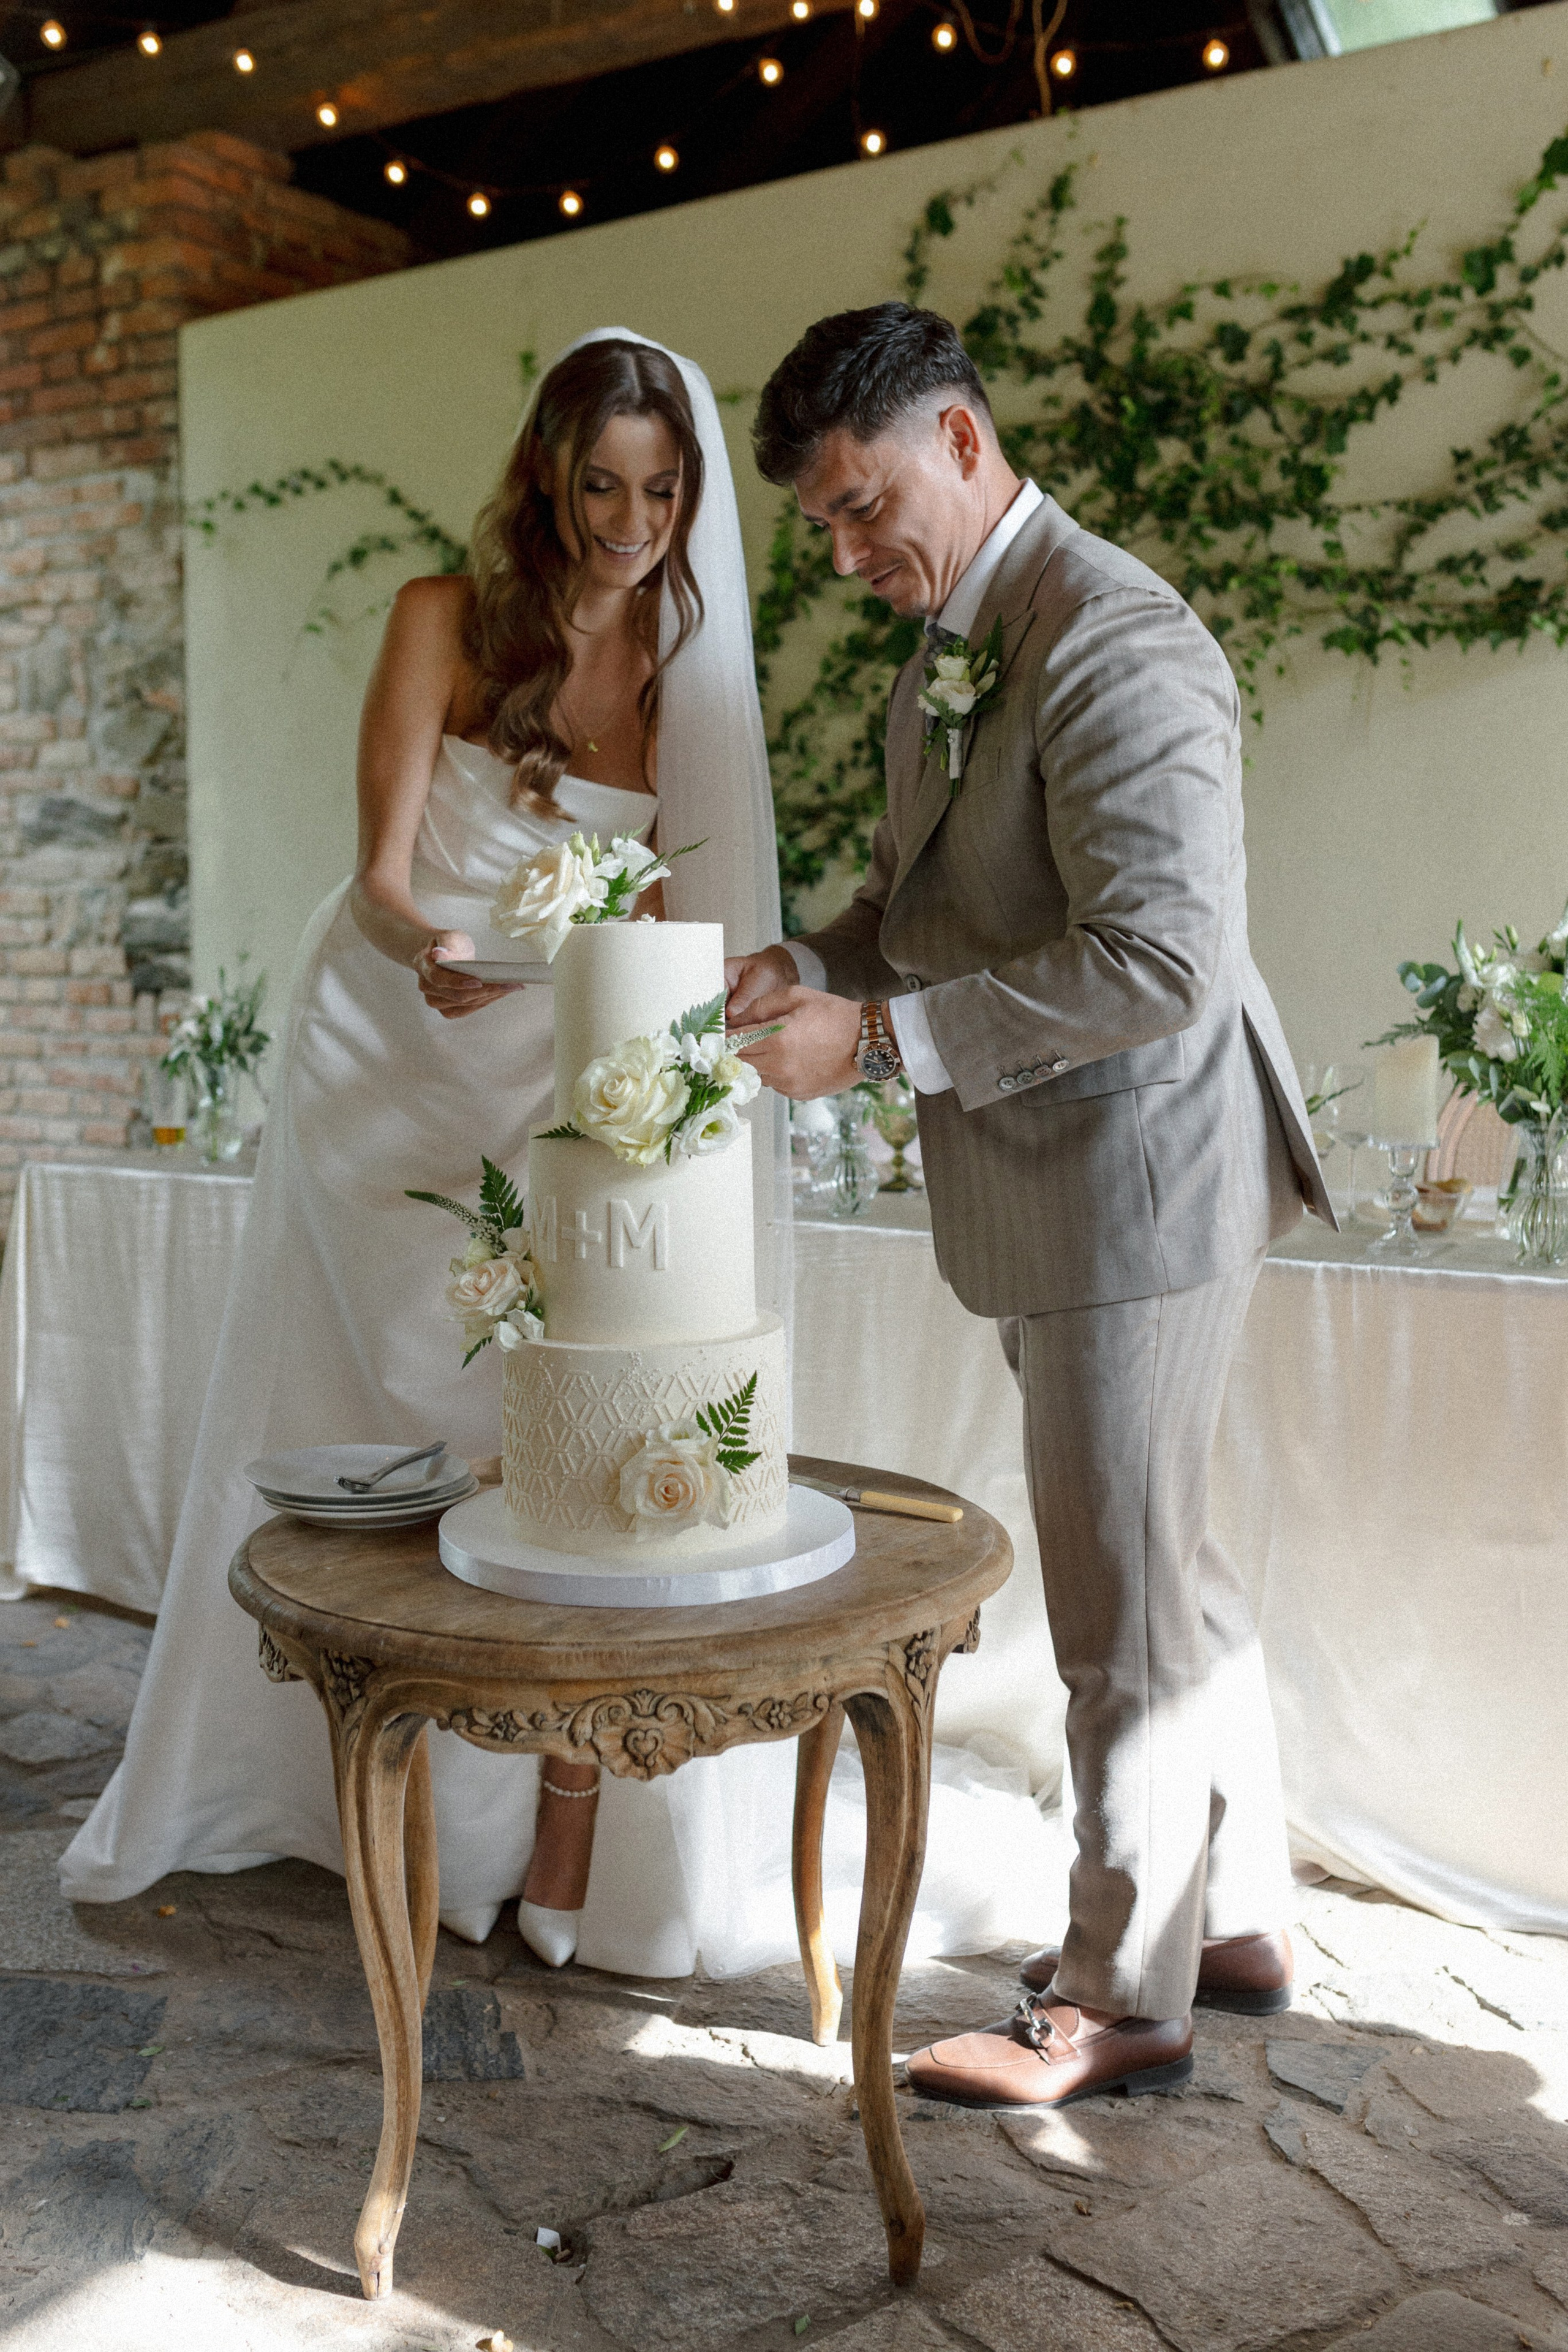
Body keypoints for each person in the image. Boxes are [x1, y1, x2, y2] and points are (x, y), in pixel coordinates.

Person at [61, 331, 794, 1977]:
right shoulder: (440, 619)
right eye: (604, 484)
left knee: (542, 1421)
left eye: (665, 491)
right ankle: (340, 1798)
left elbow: (682, 917)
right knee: (363, 1412)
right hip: (390, 1044)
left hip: (560, 1070)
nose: (633, 522)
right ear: (547, 472)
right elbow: (384, 871)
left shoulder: (687, 669)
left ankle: (544, 1818)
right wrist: (429, 957)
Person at [726, 301, 1333, 2106]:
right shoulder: (959, 642)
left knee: (1116, 1610)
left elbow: (1159, 957)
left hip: (1140, 1178)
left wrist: (884, 1038)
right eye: (823, 527)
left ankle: (1117, 1993)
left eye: (861, 506)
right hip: (1070, 1180)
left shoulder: (1115, 639)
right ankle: (1234, 1922)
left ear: (964, 442)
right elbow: (934, 901)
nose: (848, 555)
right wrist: (814, 958)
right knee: (1173, 1571)